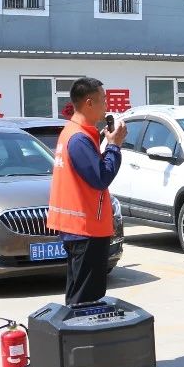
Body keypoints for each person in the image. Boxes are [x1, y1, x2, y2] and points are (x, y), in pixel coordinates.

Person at [47, 77, 128, 306]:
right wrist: (114, 146)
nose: (106, 105)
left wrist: (104, 141)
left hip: (81, 227)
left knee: (79, 294)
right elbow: (101, 177)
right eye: (103, 99)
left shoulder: (74, 133)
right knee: (86, 300)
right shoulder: (78, 138)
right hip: (86, 228)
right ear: (89, 102)